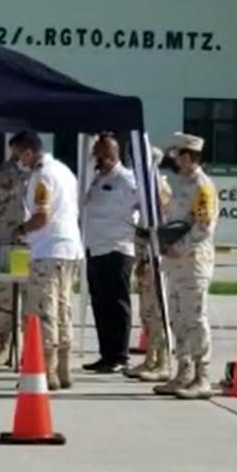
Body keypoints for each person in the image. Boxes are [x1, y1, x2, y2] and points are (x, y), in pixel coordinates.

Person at [12, 131, 83, 390]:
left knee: (45, 310)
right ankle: (64, 367)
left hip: (48, 248)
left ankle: (48, 369)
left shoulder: (42, 176)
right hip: (70, 248)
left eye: (20, 156)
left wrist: (21, 229)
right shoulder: (65, 171)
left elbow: (41, 216)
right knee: (64, 308)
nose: (19, 161)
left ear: (29, 152)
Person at [152, 133, 218, 400]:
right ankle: (183, 371)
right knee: (177, 317)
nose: (176, 161)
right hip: (174, 262)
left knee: (195, 318)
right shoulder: (181, 185)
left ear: (189, 157)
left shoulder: (202, 186)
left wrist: (180, 247)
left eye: (179, 156)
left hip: (193, 262)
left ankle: (202, 376)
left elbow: (204, 226)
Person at [81, 133, 139, 374]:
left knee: (117, 304)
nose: (98, 157)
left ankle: (119, 355)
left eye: (102, 153)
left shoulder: (127, 179)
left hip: (117, 248)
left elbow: (144, 207)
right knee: (100, 304)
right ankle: (106, 354)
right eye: (96, 153)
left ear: (113, 153)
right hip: (95, 248)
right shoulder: (96, 178)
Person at [125, 146, 174, 382]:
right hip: (144, 254)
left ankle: (162, 361)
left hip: (156, 258)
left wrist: (148, 256)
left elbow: (159, 226)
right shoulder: (144, 190)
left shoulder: (159, 189)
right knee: (146, 311)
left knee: (157, 310)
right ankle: (150, 358)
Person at [0, 138, 30, 366]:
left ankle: (29, 348)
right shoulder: (1, 175)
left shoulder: (40, 172)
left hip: (33, 244)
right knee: (4, 297)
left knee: (31, 298)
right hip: (5, 241)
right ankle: (4, 345)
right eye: (16, 148)